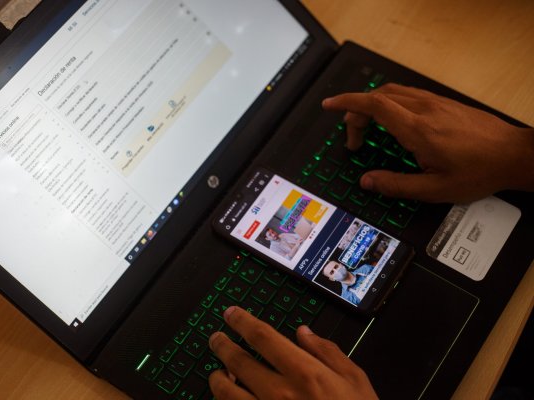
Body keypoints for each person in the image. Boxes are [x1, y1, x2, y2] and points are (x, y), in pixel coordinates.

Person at [207, 83, 534, 399]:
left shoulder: (357, 264)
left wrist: (519, 152)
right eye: (331, 271)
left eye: (330, 268)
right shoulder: (346, 277)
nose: (333, 270)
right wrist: (518, 151)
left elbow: (301, 236)